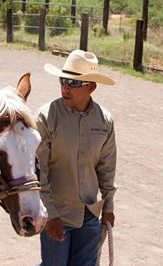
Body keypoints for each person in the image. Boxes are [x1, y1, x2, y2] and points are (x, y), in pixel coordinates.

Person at [35, 50, 117, 266]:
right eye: (63, 80)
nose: (65, 87)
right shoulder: (46, 117)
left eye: (73, 82)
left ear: (91, 87)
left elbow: (106, 168)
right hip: (57, 214)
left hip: (89, 214)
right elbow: (38, 170)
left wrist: (108, 208)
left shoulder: (104, 121)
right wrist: (50, 214)